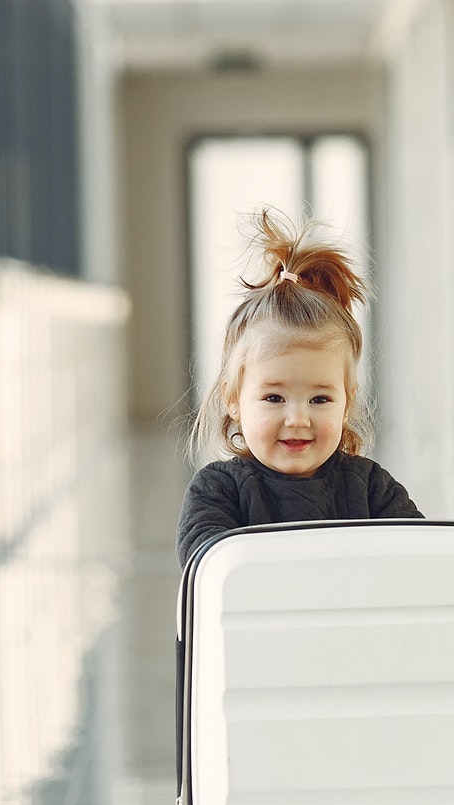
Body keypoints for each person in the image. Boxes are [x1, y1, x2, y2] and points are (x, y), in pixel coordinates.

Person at [175, 210, 421, 568]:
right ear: (233, 400)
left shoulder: (371, 489)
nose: (298, 418)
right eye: (274, 398)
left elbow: (422, 559)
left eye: (320, 398)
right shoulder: (218, 492)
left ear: (347, 403)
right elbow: (211, 573)